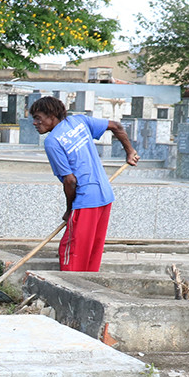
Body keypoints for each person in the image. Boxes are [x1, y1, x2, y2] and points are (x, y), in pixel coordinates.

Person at [29, 95, 139, 272]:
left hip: (85, 200)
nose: (35, 123)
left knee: (71, 252)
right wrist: (130, 151)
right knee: (90, 253)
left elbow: (70, 181)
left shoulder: (52, 142)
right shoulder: (79, 121)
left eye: (38, 118)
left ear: (52, 116)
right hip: (105, 196)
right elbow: (116, 127)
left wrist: (69, 209)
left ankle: (70, 292)